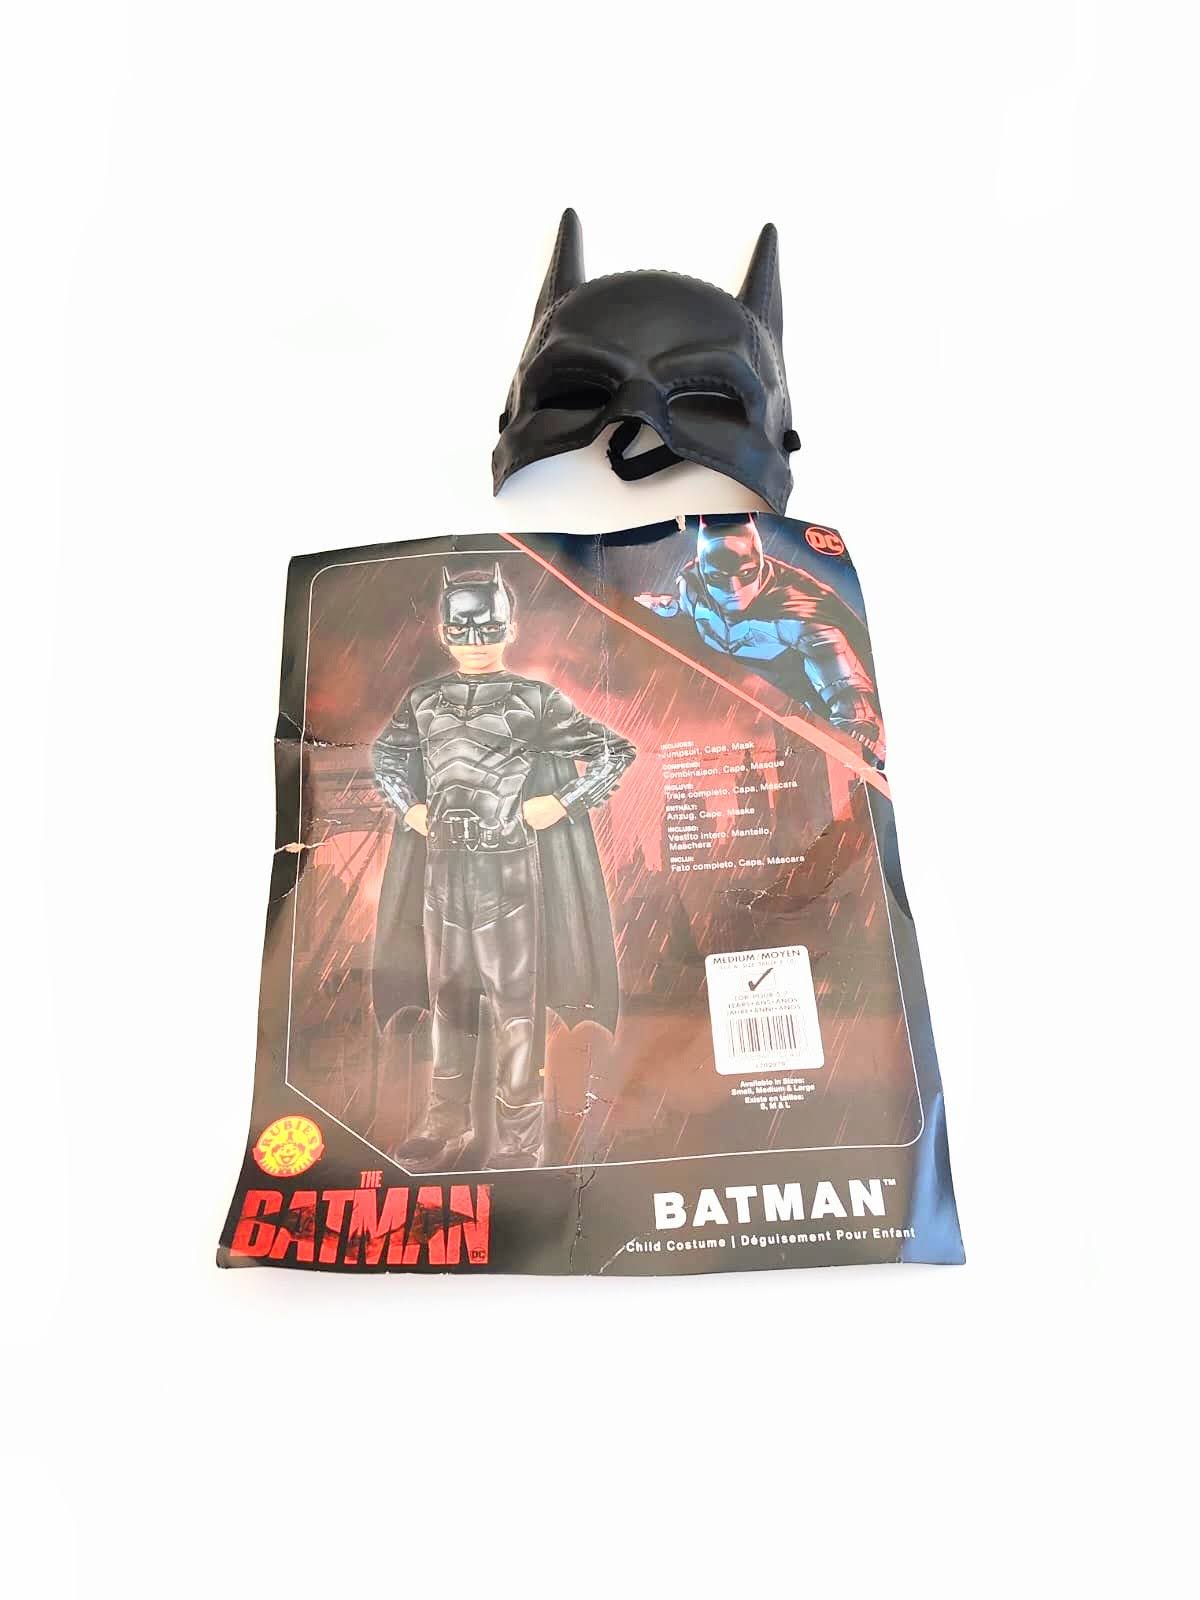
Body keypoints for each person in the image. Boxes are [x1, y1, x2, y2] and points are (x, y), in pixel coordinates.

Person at [371, 565, 636, 1171]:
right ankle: (445, 1121)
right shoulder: (424, 700)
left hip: (509, 868)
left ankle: (518, 1138)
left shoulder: (533, 699)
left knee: (516, 1005)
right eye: (462, 628)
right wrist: (409, 806)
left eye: (488, 627)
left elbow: (615, 751)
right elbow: (387, 756)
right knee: (449, 999)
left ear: (510, 628)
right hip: (443, 869)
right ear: (443, 631)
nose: (475, 640)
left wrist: (560, 803)